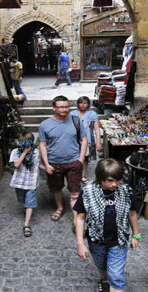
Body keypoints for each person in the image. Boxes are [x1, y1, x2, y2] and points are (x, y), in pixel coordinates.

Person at [74, 158, 140, 292]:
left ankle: (112, 283)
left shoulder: (126, 192)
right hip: (96, 241)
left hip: (118, 241)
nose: (115, 184)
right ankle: (104, 281)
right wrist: (80, 244)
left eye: (118, 180)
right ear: (100, 178)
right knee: (101, 266)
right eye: (110, 180)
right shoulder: (87, 192)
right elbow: (80, 218)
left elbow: (132, 214)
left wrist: (136, 235)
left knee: (116, 276)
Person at [38, 95, 87, 225]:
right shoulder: (45, 125)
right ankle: (60, 208)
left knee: (75, 192)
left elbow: (84, 139)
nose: (64, 110)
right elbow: (42, 144)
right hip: (54, 163)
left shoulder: (76, 121)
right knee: (56, 188)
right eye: (61, 107)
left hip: (73, 162)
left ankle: (76, 219)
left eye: (66, 107)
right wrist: (46, 164)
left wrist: (81, 159)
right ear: (54, 108)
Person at [9, 131, 40, 237]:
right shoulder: (15, 152)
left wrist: (48, 168)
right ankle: (27, 209)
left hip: (31, 182)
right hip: (19, 182)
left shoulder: (36, 152)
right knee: (22, 200)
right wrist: (24, 153)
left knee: (30, 203)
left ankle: (26, 224)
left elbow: (37, 164)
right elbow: (16, 165)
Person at [70, 96, 102, 184]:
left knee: (85, 158)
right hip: (75, 139)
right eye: (81, 103)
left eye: (85, 103)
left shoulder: (92, 114)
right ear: (77, 104)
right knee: (74, 157)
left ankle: (83, 175)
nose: (83, 105)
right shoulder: (73, 114)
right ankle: (75, 175)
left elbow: (96, 128)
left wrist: (98, 141)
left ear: (88, 104)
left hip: (88, 139)